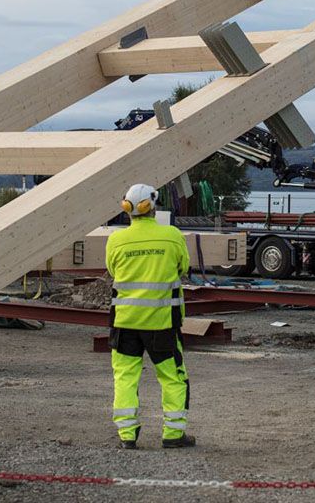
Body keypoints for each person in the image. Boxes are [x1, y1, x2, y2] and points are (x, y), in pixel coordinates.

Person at [105, 183, 195, 450]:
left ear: (127, 209)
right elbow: (184, 266)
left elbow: (112, 270)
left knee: (124, 377)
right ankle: (173, 434)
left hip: (124, 322)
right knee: (172, 377)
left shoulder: (115, 240)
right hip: (162, 322)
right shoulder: (172, 235)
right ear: (152, 206)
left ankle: (127, 436)